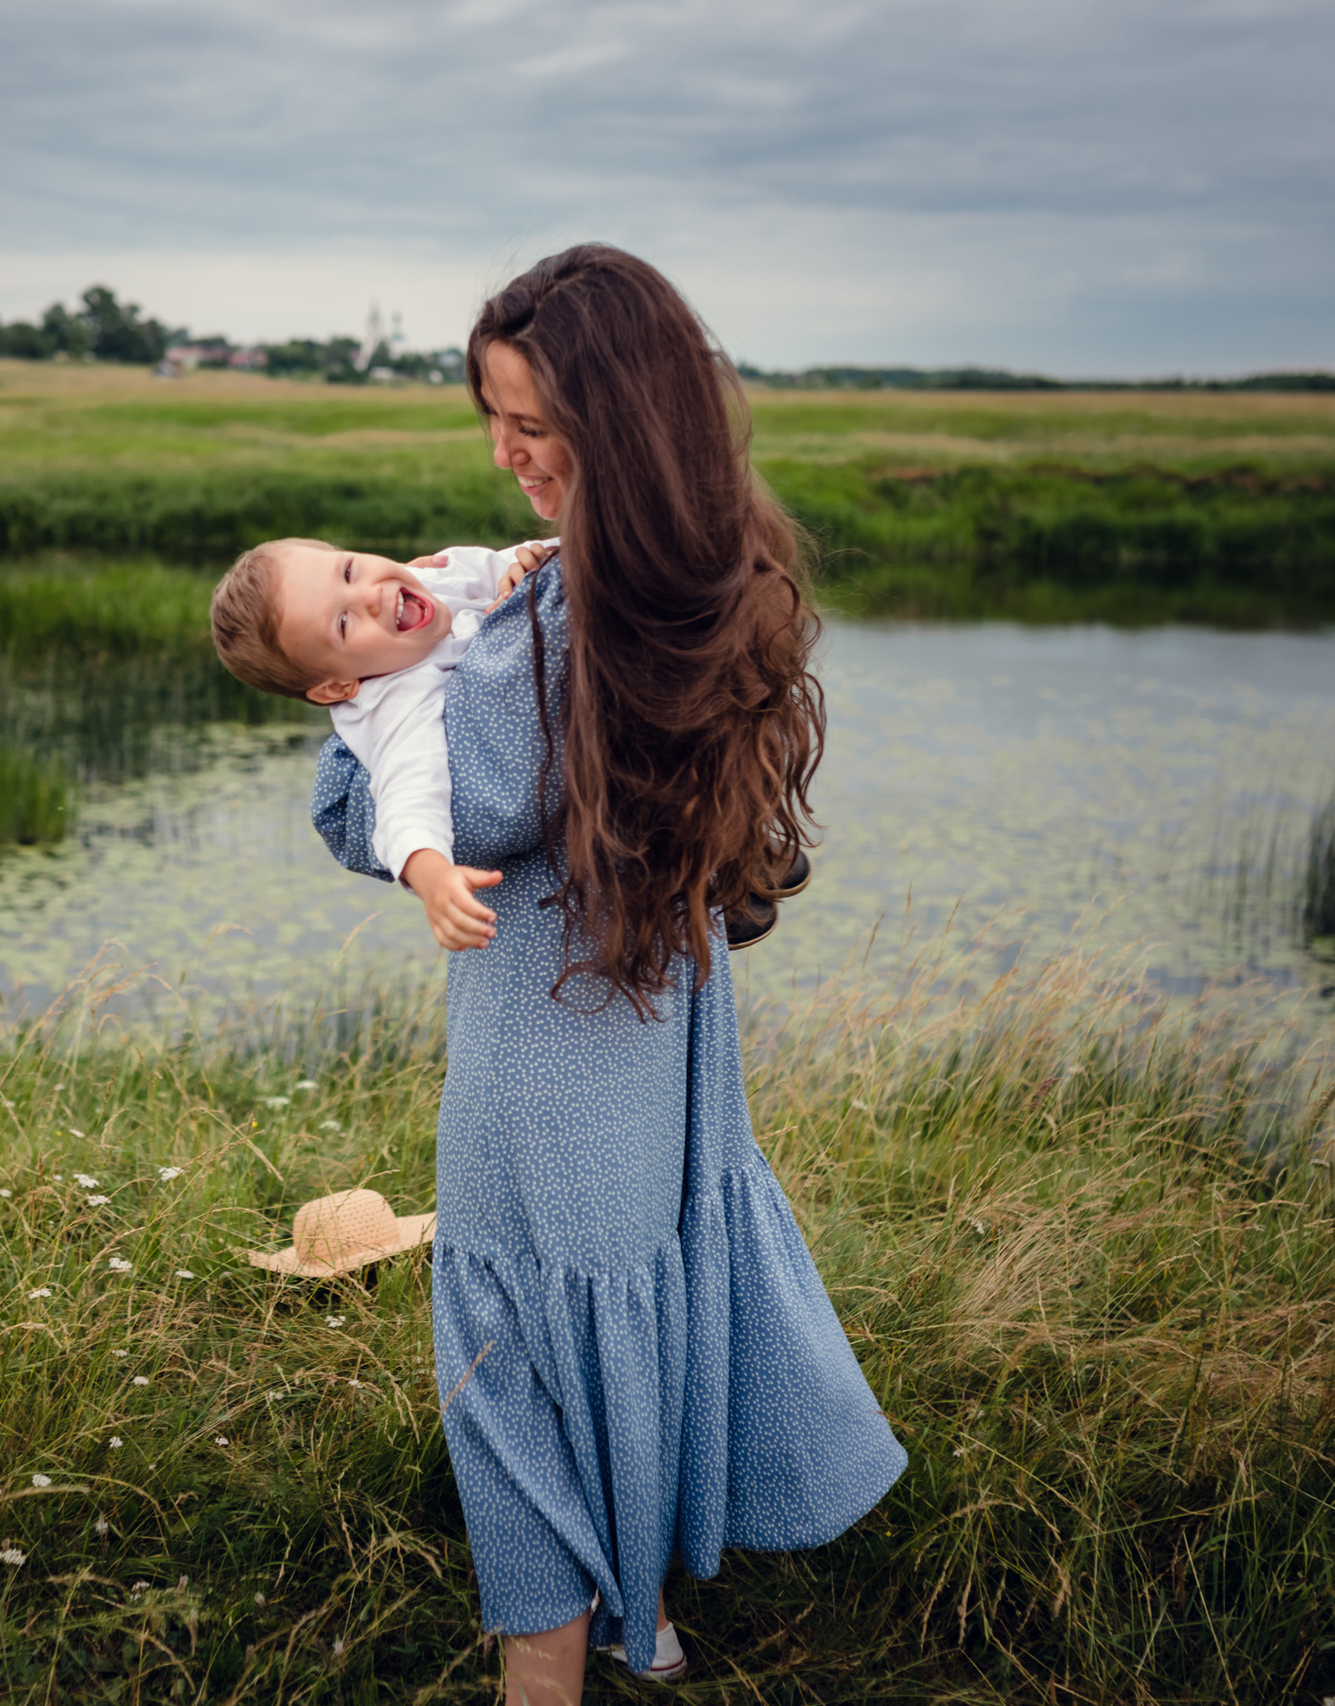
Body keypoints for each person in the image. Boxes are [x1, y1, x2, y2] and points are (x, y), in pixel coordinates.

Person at [310, 243, 908, 1701]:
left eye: (534, 423)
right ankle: (645, 1606)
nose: (507, 453)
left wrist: (359, 692)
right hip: (661, 1023)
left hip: (548, 1045)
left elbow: (382, 816)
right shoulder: (705, 577)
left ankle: (548, 1664)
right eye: (493, 419)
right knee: (636, 1290)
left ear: (618, 427)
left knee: (510, 1359)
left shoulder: (554, 624)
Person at [211, 536, 540, 951]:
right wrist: (434, 878)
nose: (370, 596)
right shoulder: (395, 703)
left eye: (349, 571)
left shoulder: (428, 580)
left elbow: (572, 556)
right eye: (343, 623)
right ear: (336, 687)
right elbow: (407, 800)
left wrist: (531, 565)